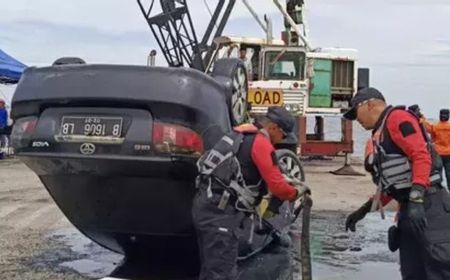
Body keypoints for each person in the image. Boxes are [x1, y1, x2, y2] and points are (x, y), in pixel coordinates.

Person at [343, 87, 450, 280]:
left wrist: (417, 198)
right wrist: (365, 210)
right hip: (409, 210)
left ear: (370, 104)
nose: (356, 120)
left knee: (439, 267)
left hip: (431, 207)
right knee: (412, 272)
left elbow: (421, 156)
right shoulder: (381, 133)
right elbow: (393, 184)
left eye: (355, 112)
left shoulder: (397, 119)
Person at [192, 106, 310, 280]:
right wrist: (296, 191)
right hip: (220, 216)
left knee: (211, 269)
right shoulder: (261, 144)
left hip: (206, 208)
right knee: (221, 274)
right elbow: (278, 187)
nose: (281, 141)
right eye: (283, 135)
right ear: (273, 128)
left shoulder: (239, 135)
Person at [420, 108, 450, 185]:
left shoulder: (435, 127)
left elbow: (425, 125)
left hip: (438, 153)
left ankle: (440, 191)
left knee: (437, 174)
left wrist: (421, 116)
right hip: (449, 154)